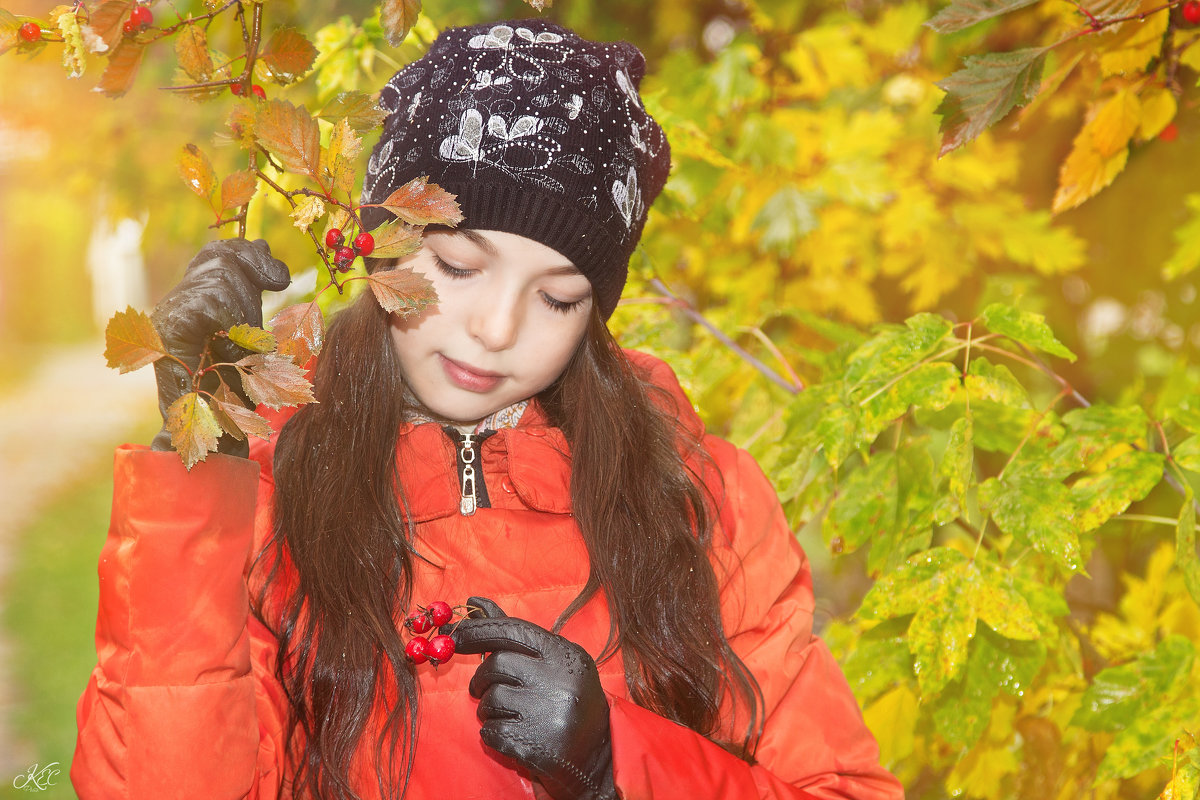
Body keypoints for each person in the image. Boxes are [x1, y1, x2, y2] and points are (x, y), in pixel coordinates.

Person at [71, 18, 904, 800]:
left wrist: (618, 765)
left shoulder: (697, 500)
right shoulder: (266, 491)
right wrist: (196, 475)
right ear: (380, 247)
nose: (497, 330)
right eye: (460, 266)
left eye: (559, 298)